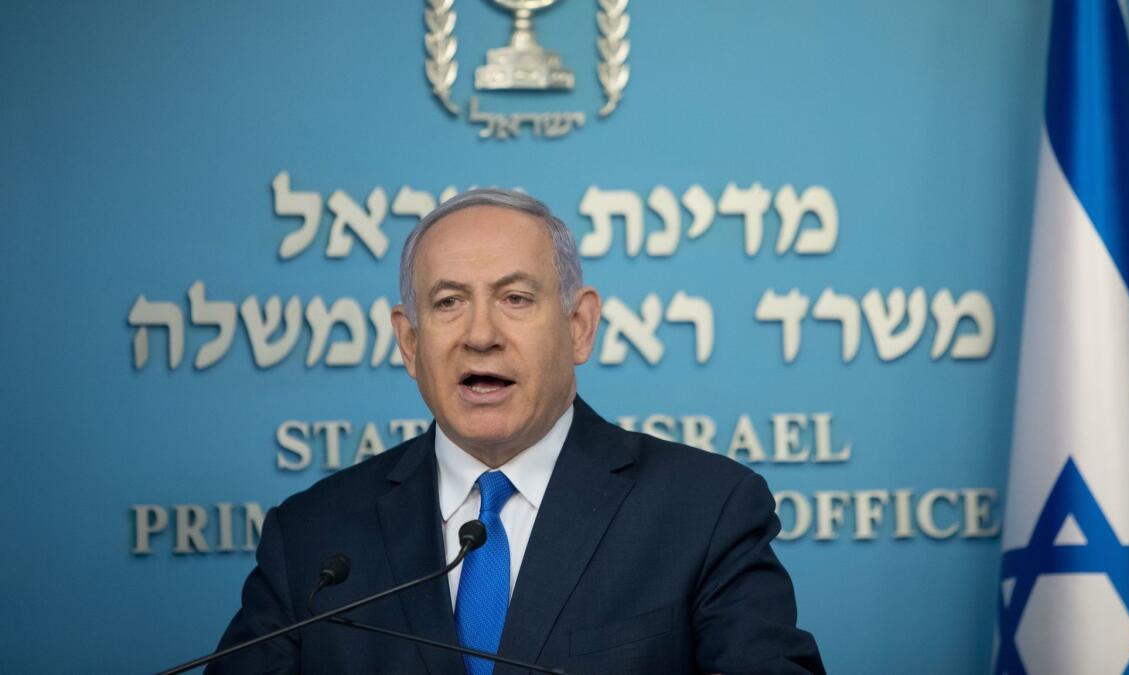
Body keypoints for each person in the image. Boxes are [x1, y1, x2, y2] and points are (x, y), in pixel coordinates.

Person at [209, 189, 825, 674]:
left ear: (580, 326)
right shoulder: (312, 540)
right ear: (409, 342)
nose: (481, 334)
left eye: (516, 298)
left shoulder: (704, 510)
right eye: (449, 302)